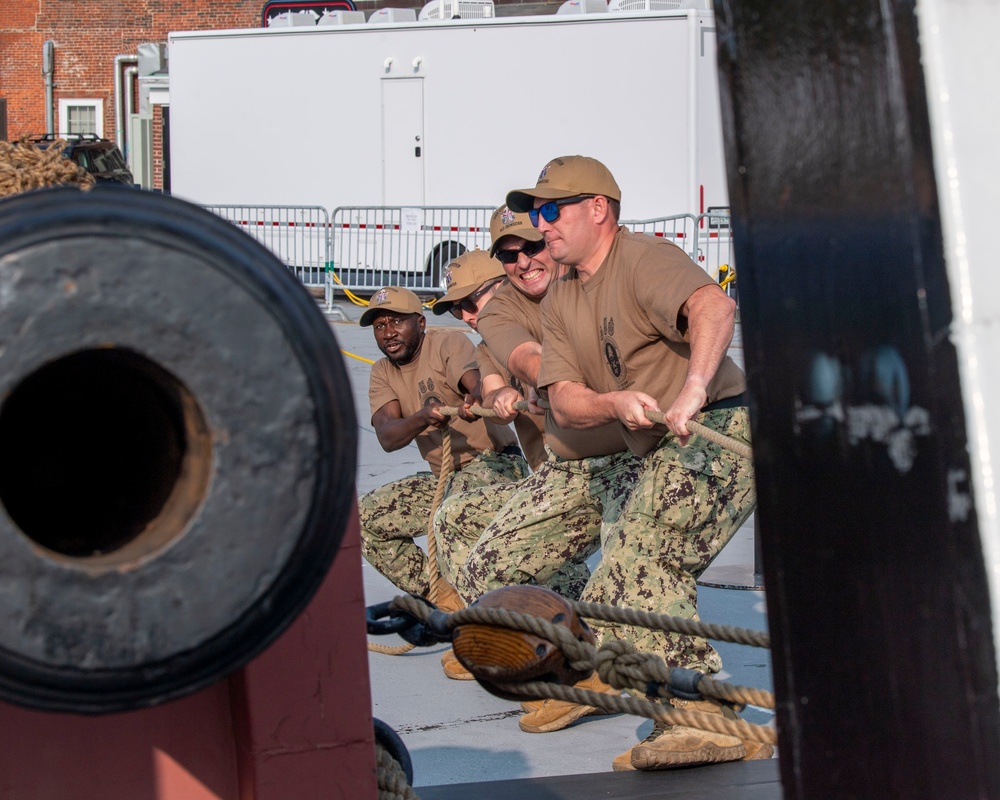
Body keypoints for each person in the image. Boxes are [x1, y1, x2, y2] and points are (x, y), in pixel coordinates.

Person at [505, 156, 769, 769]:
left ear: (598, 208)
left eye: (552, 210)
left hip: (719, 423)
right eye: (536, 212)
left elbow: (714, 308)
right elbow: (565, 402)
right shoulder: (561, 295)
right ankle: (666, 698)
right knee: (620, 573)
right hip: (661, 445)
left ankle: (709, 718)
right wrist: (612, 402)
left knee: (644, 552)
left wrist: (694, 386)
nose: (541, 225)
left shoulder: (642, 258)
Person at [433, 206, 642, 726]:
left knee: (629, 578)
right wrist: (505, 391)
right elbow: (507, 363)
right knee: (489, 568)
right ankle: (565, 655)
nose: (524, 261)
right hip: (566, 466)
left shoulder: (590, 278)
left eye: (531, 246)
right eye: (508, 254)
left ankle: (596, 678)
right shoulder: (502, 314)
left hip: (637, 449)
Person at [357, 285, 529, 618]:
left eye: (397, 322)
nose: (388, 333)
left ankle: (486, 615)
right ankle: (445, 599)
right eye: (380, 326)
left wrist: (476, 398)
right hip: (444, 479)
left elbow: (476, 384)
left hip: (495, 465)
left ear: (420, 323)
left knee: (453, 511)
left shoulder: (446, 343)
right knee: (363, 519)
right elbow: (388, 436)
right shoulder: (383, 371)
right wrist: (423, 417)